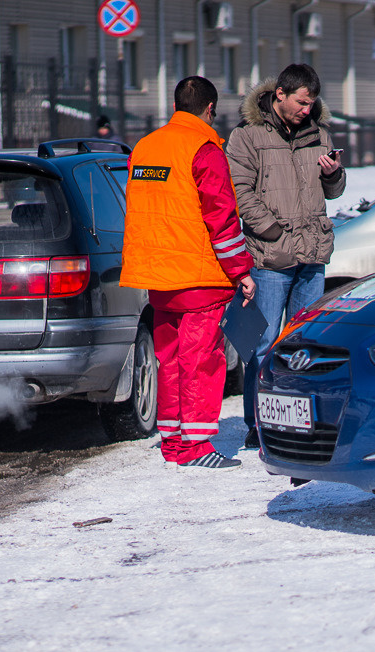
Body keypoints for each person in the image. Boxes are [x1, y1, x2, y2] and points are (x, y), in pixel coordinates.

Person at [121, 76, 256, 470]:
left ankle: (173, 442)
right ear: (210, 109)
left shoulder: (145, 147)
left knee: (171, 360)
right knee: (201, 359)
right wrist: (240, 271)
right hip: (198, 276)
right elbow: (222, 216)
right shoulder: (205, 148)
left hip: (158, 276)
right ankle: (197, 446)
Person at [226, 63, 345, 449]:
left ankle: (298, 420)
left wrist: (332, 174)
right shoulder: (247, 137)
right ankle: (257, 424)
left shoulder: (319, 135)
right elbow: (240, 192)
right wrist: (274, 231)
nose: (307, 110)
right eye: (301, 102)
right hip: (270, 258)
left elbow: (335, 191)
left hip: (312, 255)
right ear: (280, 94)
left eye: (311, 103)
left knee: (304, 344)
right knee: (262, 344)